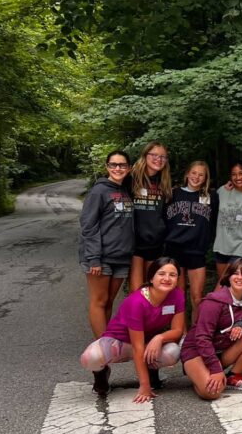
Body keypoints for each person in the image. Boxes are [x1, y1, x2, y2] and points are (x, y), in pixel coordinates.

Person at [80, 257, 185, 402]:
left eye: (172, 275)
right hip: (119, 342)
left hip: (146, 342)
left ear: (177, 278)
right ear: (151, 277)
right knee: (90, 358)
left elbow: (178, 330)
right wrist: (144, 386)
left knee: (172, 351)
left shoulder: (177, 295)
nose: (167, 278)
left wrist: (159, 338)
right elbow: (137, 347)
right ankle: (101, 373)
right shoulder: (137, 301)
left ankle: (151, 370)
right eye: (161, 274)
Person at [180, 258, 242, 398]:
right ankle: (199, 376)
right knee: (212, 392)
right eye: (235, 273)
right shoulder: (213, 301)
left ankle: (233, 376)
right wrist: (215, 369)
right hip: (196, 352)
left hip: (221, 351)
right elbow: (202, 338)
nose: (239, 277)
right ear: (229, 277)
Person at [79, 150, 135, 338]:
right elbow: (89, 225)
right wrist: (94, 258)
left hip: (121, 256)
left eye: (122, 165)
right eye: (113, 165)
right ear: (107, 167)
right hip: (100, 257)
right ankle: (102, 347)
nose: (118, 168)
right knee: (99, 301)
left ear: (129, 168)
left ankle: (106, 338)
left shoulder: (125, 190)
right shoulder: (99, 191)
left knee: (110, 301)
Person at [163, 160, 218, 320]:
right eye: (194, 173)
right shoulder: (173, 193)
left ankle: (195, 333)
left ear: (206, 177)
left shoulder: (211, 196)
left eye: (201, 174)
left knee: (197, 297)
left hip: (196, 251)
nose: (196, 177)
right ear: (187, 173)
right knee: (178, 297)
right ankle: (181, 333)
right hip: (175, 250)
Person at [128, 141, 172, 290]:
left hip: (155, 242)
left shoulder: (164, 182)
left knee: (150, 289)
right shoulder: (131, 178)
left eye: (163, 157)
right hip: (134, 242)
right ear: (145, 155)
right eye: (154, 155)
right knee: (136, 292)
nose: (158, 159)